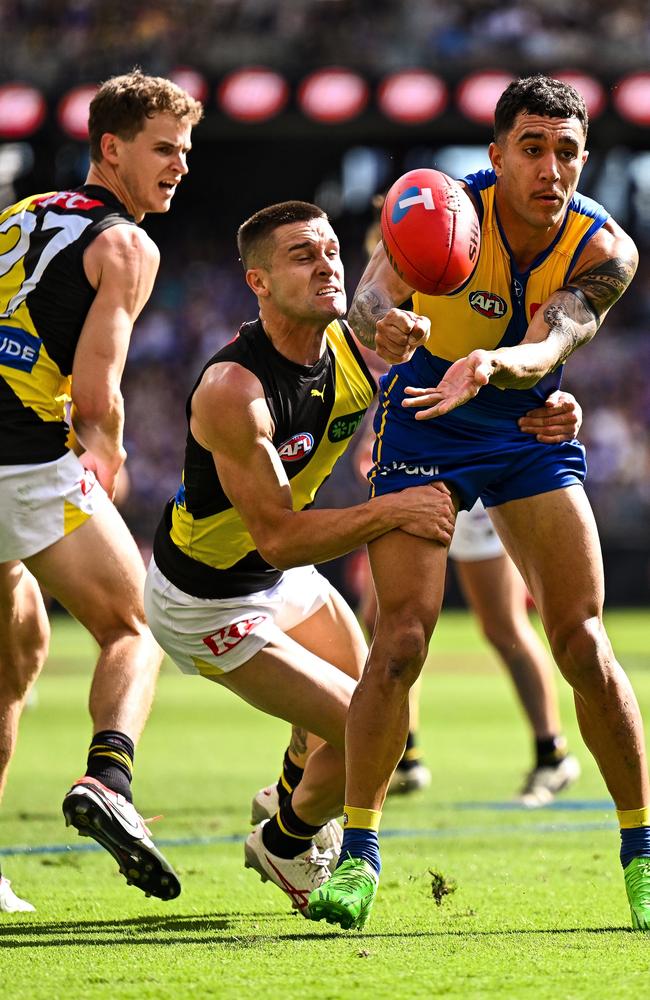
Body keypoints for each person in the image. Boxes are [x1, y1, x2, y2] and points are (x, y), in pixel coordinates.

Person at [309, 75, 650, 932]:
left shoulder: (603, 247)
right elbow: (370, 299)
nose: (550, 168)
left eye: (566, 151)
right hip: (426, 420)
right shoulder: (438, 206)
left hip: (525, 425)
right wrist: (384, 327)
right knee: (402, 638)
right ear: (495, 156)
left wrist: (498, 365)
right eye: (531, 149)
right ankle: (358, 857)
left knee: (580, 638)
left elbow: (560, 336)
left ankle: (643, 856)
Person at [143, 199, 458, 917]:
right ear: (257, 282)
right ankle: (284, 841)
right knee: (367, 728)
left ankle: (288, 795)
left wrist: (547, 406)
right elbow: (279, 535)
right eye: (300, 256)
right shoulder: (233, 389)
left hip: (279, 575)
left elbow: (407, 276)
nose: (325, 266)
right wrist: (393, 509)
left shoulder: (354, 346)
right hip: (206, 599)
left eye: (330, 252)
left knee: (377, 703)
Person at [0, 69, 203, 913]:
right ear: (110, 148)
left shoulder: (17, 214)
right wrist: (106, 458)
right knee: (135, 620)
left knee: (17, 654)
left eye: (186, 152)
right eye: (164, 149)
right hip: (23, 461)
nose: (180, 166)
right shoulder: (125, 245)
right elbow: (95, 391)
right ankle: (110, 778)